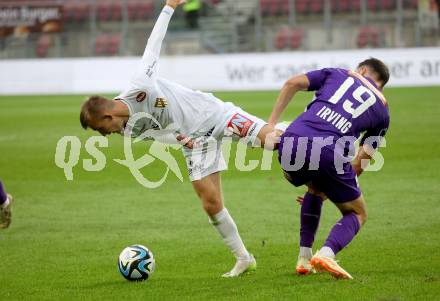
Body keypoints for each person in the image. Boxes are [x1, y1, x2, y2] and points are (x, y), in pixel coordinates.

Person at [79, 0, 280, 277]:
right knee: (210, 202)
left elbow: (153, 45)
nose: (105, 135)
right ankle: (244, 258)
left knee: (275, 142)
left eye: (101, 129)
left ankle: (307, 129)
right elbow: (158, 134)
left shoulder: (141, 84)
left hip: (214, 115)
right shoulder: (127, 128)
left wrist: (169, 7)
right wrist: (181, 140)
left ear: (107, 117)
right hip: (193, 140)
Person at [268, 58, 390, 279]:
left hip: (290, 143)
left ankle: (304, 259)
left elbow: (291, 83)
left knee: (315, 188)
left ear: (361, 69)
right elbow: (363, 157)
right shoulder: (382, 111)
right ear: (380, 85)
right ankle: (327, 253)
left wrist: (270, 124)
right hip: (328, 152)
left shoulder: (339, 73)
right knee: (357, 213)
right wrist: (338, 186)